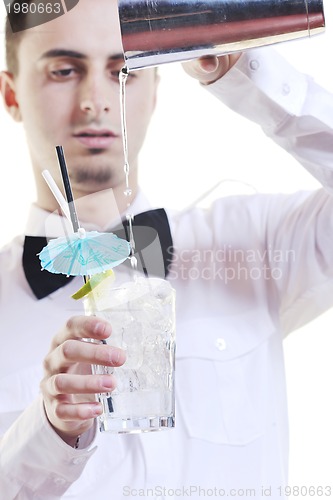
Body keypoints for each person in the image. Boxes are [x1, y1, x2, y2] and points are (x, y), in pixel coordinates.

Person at [1, 0, 333, 498]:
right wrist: (49, 434)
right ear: (11, 94)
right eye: (65, 70)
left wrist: (246, 74)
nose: (95, 100)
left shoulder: (257, 242)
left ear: (155, 88)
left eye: (125, 71)